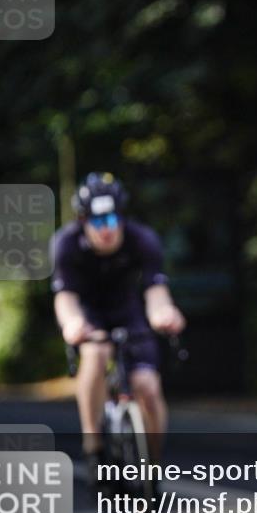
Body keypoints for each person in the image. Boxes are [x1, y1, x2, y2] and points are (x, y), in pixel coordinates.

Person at [50, 173, 185, 471]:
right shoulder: (66, 244)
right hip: (89, 315)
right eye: (97, 222)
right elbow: (65, 297)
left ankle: (152, 468)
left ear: (121, 218)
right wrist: (72, 323)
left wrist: (164, 313)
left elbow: (155, 290)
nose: (106, 230)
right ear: (83, 221)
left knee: (147, 387)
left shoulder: (143, 239)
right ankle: (93, 446)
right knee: (95, 354)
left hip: (128, 312)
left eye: (111, 220)